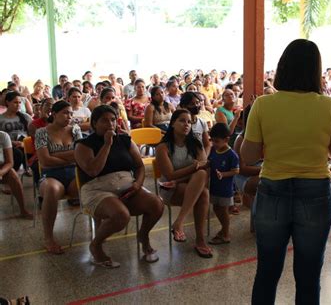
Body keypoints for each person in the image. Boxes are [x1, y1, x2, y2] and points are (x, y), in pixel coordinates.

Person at [241, 39, 331, 304]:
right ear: (316, 70)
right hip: (315, 192)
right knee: (309, 276)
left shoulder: (263, 105)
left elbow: (248, 156)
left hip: (272, 191)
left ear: (282, 68)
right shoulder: (329, 106)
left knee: (267, 273)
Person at [75, 105, 164, 267]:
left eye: (113, 120)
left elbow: (139, 166)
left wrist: (137, 184)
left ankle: (143, 236)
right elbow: (93, 170)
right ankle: (96, 245)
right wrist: (107, 145)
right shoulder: (83, 145)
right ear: (94, 124)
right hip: (97, 189)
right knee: (121, 215)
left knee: (156, 204)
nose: (110, 124)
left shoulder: (125, 140)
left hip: (127, 185)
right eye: (104, 121)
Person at [155, 110, 213, 258]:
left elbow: (204, 165)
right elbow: (170, 175)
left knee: (201, 179)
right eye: (182, 121)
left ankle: (179, 222)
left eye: (189, 122)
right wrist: (193, 168)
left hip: (189, 185)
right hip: (170, 190)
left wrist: (185, 176)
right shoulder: (163, 147)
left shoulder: (196, 144)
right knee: (202, 190)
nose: (186, 124)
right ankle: (200, 240)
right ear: (173, 123)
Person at [35, 100, 82, 254]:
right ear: (54, 114)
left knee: (90, 182)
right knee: (51, 189)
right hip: (51, 175)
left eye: (71, 113)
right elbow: (44, 161)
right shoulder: (41, 132)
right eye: (65, 113)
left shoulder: (75, 130)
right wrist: (70, 156)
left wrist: (55, 155)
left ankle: (100, 230)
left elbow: (80, 155)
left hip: (73, 173)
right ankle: (48, 237)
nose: (69, 116)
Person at [208, 123, 239, 244]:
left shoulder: (232, 155)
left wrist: (223, 174)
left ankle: (226, 234)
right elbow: (210, 162)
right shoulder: (213, 150)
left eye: (217, 141)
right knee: (216, 208)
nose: (214, 144)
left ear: (226, 140)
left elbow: (236, 171)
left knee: (224, 211)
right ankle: (223, 230)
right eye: (212, 141)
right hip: (215, 187)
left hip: (225, 189)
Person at [0, 130, 33, 219]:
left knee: (13, 175)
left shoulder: (3, 136)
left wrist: (1, 172)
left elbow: (10, 162)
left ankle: (23, 210)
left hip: (1, 168)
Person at [0, 91, 32, 171]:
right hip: (8, 145)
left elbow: (33, 133)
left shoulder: (26, 117)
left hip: (25, 144)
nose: (18, 105)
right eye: (15, 102)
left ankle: (26, 169)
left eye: (20, 103)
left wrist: (24, 143)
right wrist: (12, 142)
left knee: (23, 150)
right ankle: (13, 173)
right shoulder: (1, 118)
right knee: (18, 153)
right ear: (8, 102)